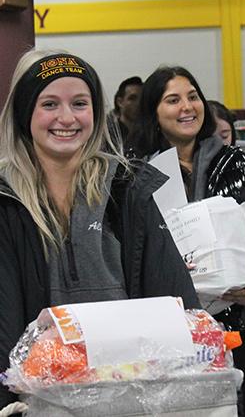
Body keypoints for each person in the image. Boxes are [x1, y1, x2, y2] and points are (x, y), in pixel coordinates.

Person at [0, 50, 199, 410]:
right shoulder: (5, 202)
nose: (66, 118)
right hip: (36, 402)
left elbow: (175, 301)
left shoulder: (127, 190)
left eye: (80, 103)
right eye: (49, 104)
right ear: (25, 112)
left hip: (131, 398)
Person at [127, 65, 245, 417]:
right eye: (173, 100)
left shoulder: (238, 165)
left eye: (193, 96)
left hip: (232, 326)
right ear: (154, 112)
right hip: (162, 334)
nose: (187, 107)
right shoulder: (132, 173)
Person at [109, 75, 143, 143]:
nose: (138, 103)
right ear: (120, 102)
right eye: (132, 98)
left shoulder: (148, 135)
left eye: (142, 98)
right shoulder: (110, 135)